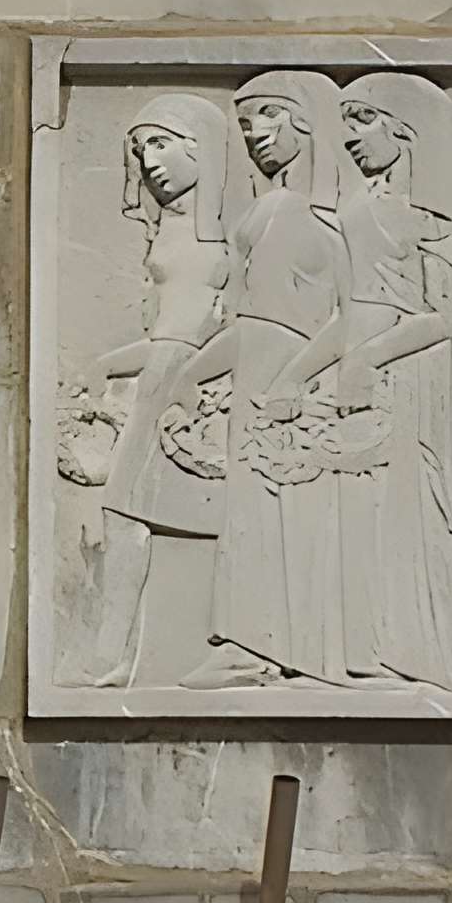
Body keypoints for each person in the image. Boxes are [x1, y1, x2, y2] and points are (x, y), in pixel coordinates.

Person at [261, 71, 452, 689]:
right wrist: (295, 375)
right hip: (352, 392)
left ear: (404, 131)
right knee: (346, 529)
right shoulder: (359, 209)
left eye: (364, 121)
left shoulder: (428, 217)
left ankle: (413, 660)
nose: (350, 136)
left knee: (400, 525)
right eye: (345, 122)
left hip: (403, 389)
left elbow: (445, 316)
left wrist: (367, 361)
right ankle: (354, 661)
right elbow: (347, 311)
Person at [174, 70, 355, 689]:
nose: (254, 134)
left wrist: (197, 372)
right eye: (246, 124)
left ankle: (253, 646)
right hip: (282, 372)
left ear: (307, 122)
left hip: (274, 374)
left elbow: (266, 318)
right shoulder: (304, 212)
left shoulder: (284, 210)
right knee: (273, 513)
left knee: (263, 510)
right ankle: (277, 647)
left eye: (268, 117)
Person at [63, 94, 234, 689]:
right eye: (139, 148)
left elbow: (239, 322)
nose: (149, 161)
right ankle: (112, 654)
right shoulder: (170, 229)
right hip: (164, 375)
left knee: (223, 517)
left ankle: (243, 647)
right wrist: (110, 364)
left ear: (201, 148)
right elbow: (167, 331)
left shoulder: (236, 228)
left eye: (161, 143)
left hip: (204, 386)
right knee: (124, 516)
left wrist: (203, 374)